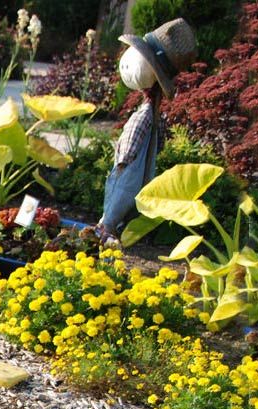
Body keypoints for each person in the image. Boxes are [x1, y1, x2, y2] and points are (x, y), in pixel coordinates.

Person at [95, 18, 197, 245]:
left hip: (132, 169)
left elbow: (134, 158)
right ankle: (111, 226)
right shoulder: (147, 115)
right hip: (132, 167)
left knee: (128, 186)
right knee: (126, 184)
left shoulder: (147, 115)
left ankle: (112, 226)